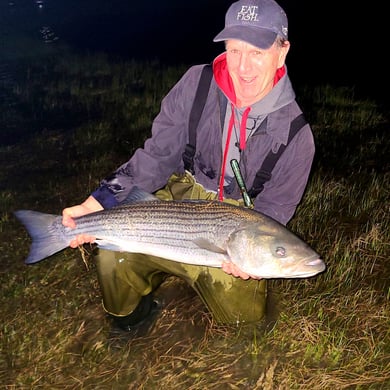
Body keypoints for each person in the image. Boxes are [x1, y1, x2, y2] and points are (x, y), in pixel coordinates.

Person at [62, 0, 315, 333]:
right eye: (235, 50)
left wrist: (252, 260)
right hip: (179, 197)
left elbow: (274, 211)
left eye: (257, 52)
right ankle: (131, 323)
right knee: (113, 257)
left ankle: (241, 333)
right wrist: (96, 202)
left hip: (240, 218)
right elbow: (156, 156)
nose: (243, 68)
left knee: (244, 319)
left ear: (282, 52)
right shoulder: (196, 83)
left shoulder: (298, 138)